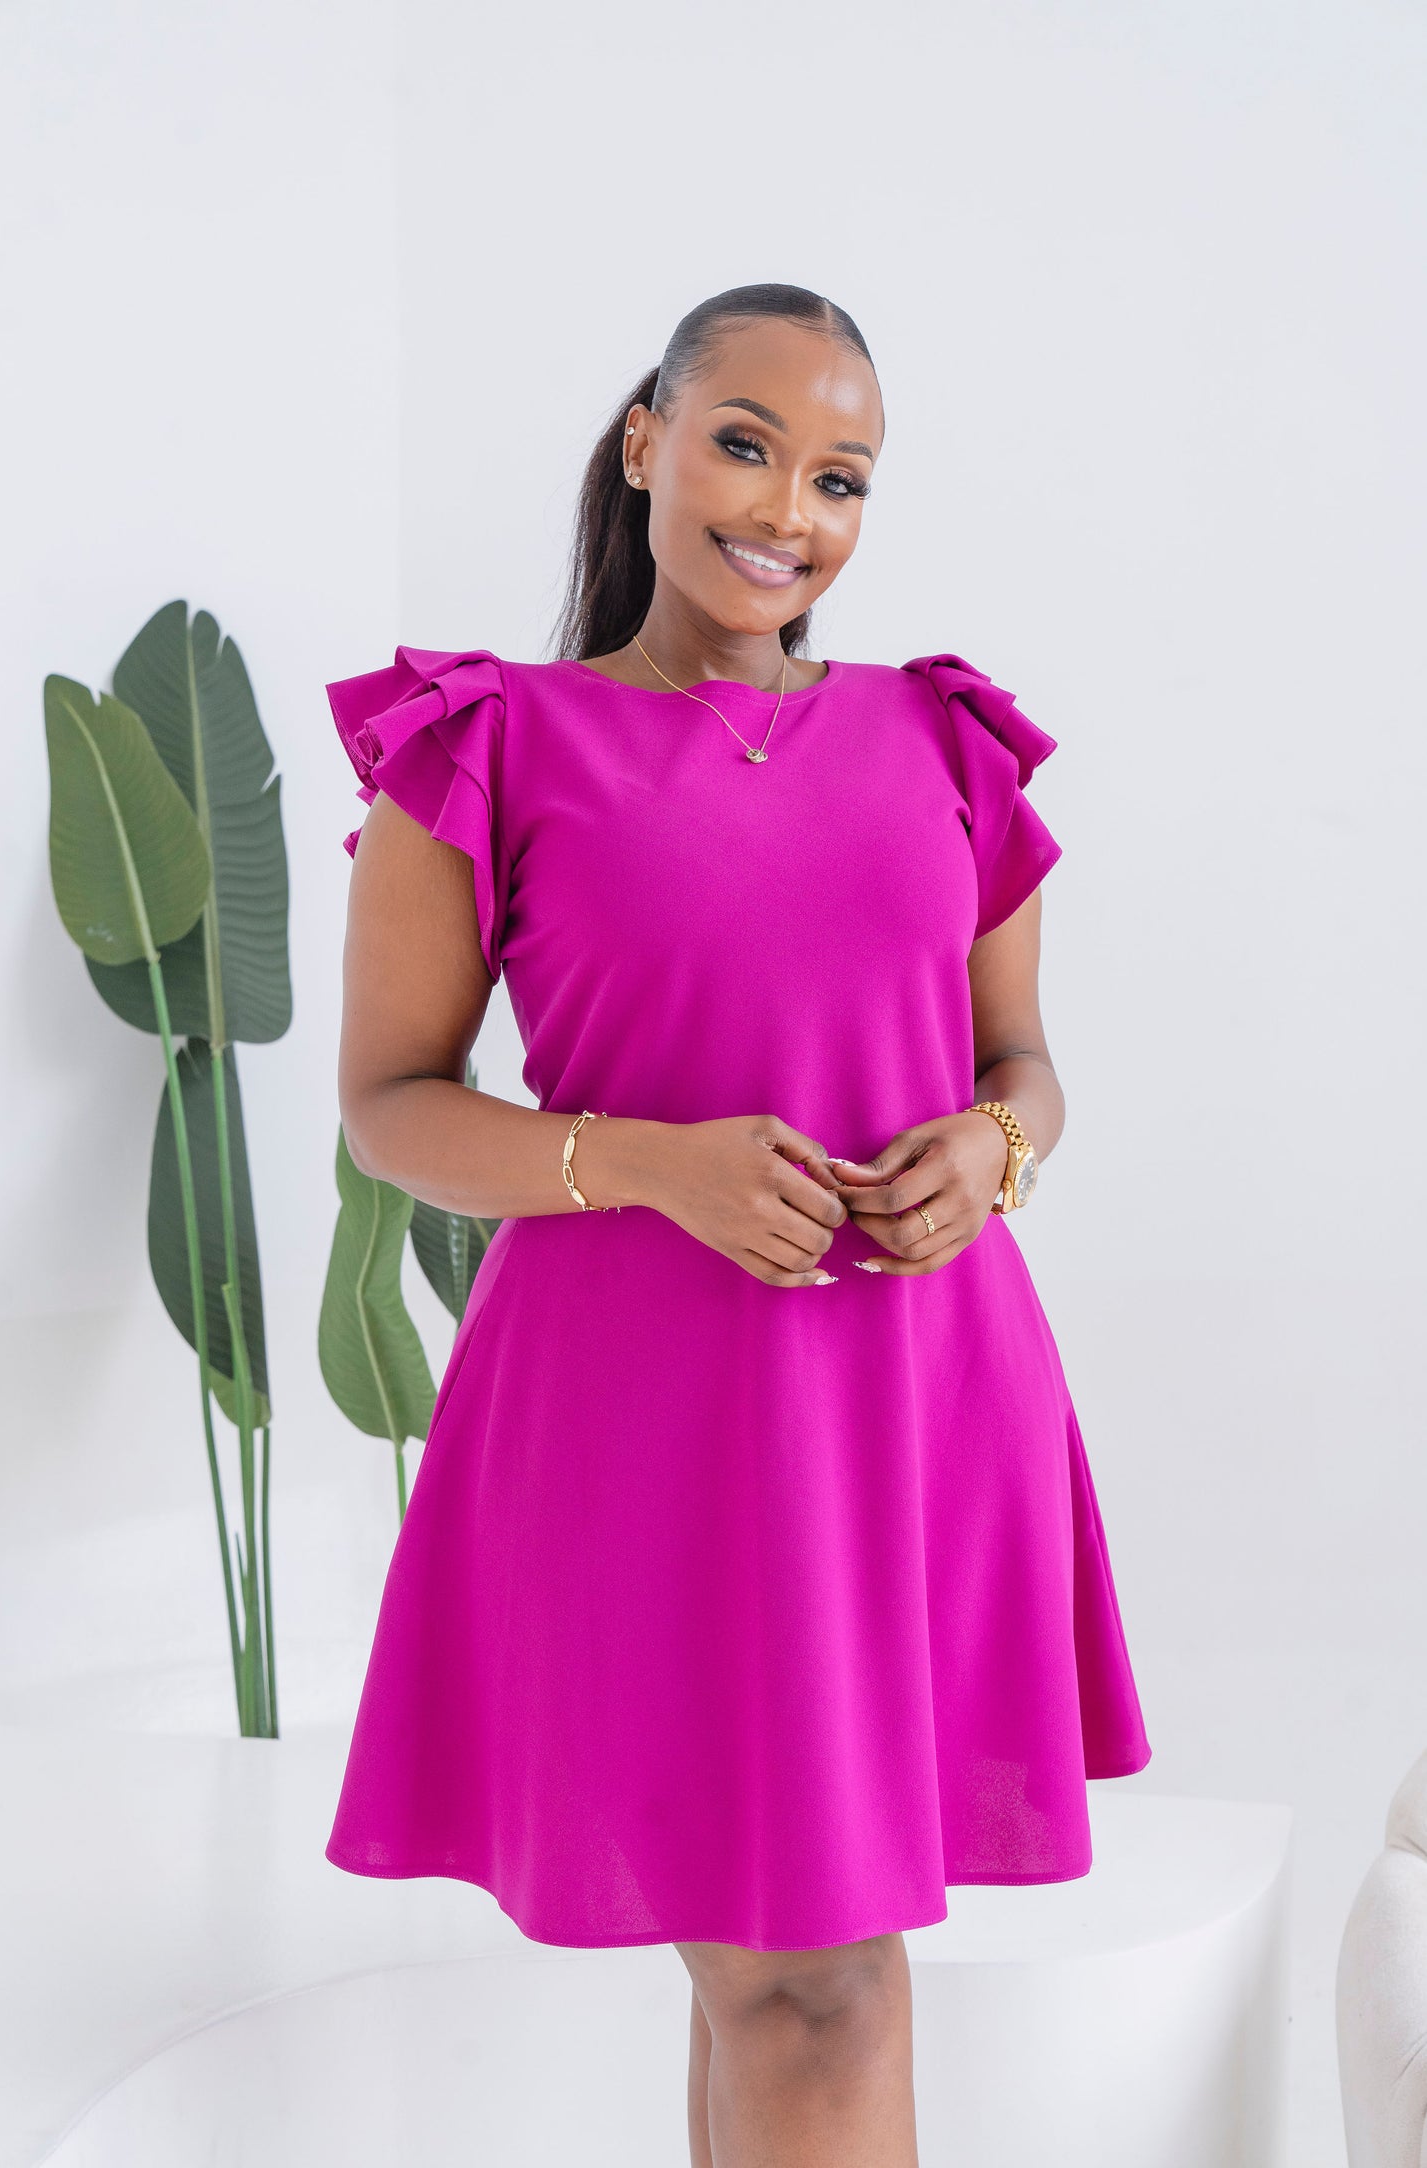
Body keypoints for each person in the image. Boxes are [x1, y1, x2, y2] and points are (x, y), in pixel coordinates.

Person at [323, 280, 1152, 2168]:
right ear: (647, 444)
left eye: (839, 477)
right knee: (798, 1986)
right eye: (745, 445)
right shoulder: (488, 743)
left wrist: (993, 1151)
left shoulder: (945, 740)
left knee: (795, 1985)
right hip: (644, 1422)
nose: (788, 510)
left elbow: (1021, 1061)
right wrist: (643, 1162)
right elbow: (390, 1108)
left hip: (919, 1402)